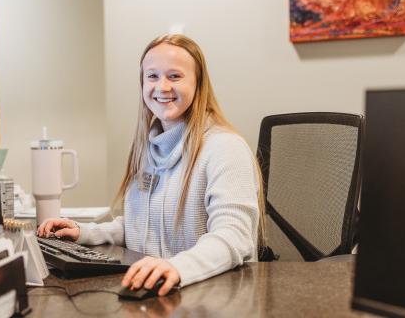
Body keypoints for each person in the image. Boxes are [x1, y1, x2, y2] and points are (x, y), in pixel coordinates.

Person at [37, 34, 265, 296]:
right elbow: (141, 226)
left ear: (198, 83)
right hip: (160, 293)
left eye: (175, 76)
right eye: (153, 76)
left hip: (214, 296)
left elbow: (235, 237)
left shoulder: (224, 148)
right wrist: (84, 233)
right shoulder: (148, 148)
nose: (162, 87)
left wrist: (178, 268)